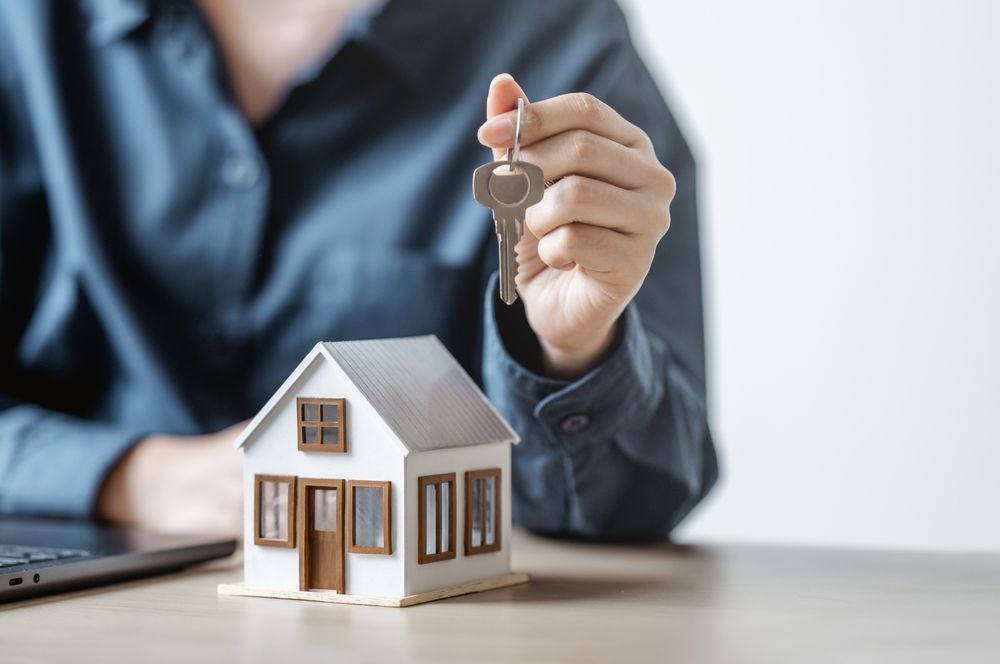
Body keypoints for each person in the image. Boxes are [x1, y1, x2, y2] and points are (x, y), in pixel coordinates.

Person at [0, 0, 717, 541]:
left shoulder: (558, 36)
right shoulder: (27, 25)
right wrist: (134, 478)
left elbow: (642, 503)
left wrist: (571, 350)